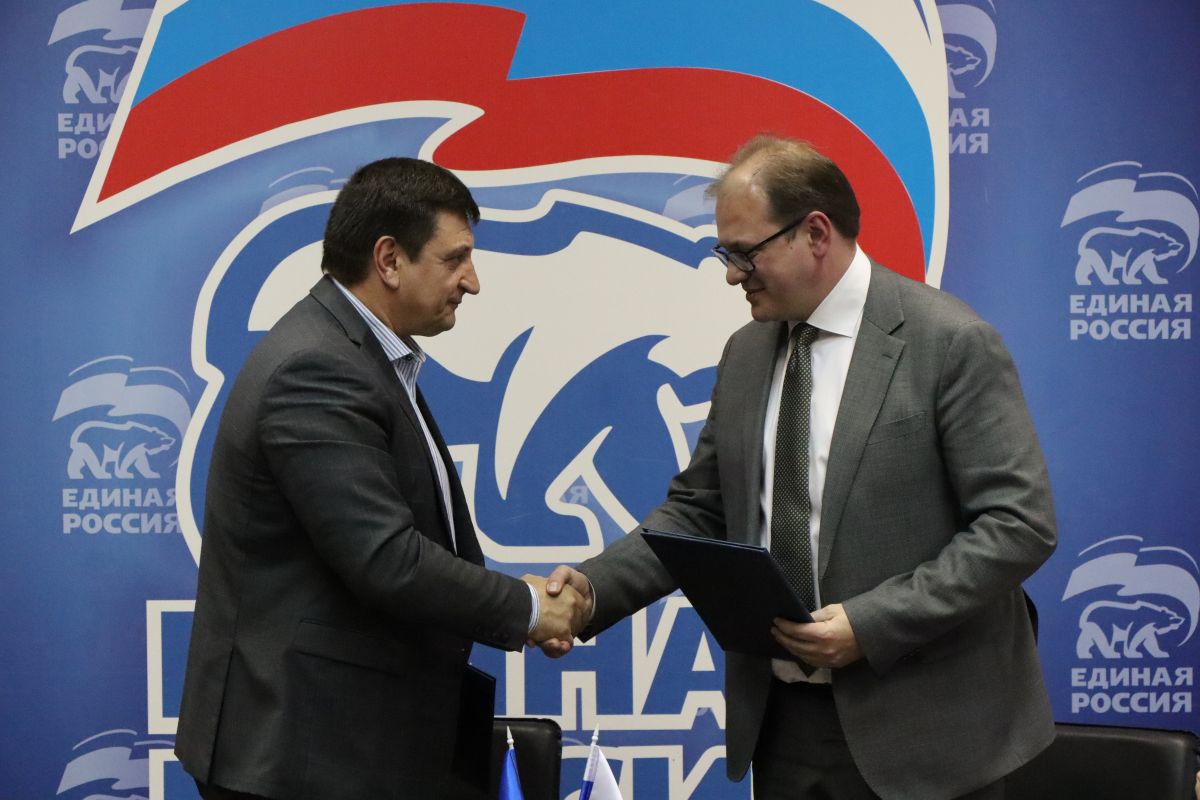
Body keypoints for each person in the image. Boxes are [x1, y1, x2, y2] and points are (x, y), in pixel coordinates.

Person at [543, 135, 1056, 799]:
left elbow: (1018, 525)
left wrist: (870, 624)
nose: (732, 275)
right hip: (784, 726)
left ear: (815, 233)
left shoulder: (949, 343)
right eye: (725, 254)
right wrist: (592, 590)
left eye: (745, 252)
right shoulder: (747, 353)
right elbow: (700, 510)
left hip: (929, 735)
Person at [174, 157, 587, 800]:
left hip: (348, 745)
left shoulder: (361, 356)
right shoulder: (317, 367)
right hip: (301, 758)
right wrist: (529, 609)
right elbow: (386, 559)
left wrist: (524, 611)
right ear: (389, 260)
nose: (473, 282)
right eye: (455, 259)